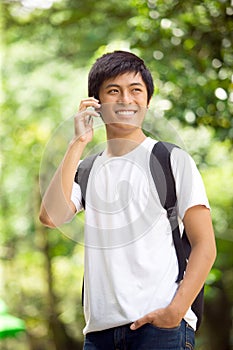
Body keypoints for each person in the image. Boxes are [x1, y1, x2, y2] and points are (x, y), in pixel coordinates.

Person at [39, 51, 216, 350]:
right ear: (95, 102)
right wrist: (77, 143)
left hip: (160, 330)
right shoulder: (88, 168)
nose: (126, 100)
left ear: (147, 101)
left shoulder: (171, 159)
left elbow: (204, 245)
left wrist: (175, 313)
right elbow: (51, 217)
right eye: (113, 91)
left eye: (136, 90)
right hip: (99, 334)